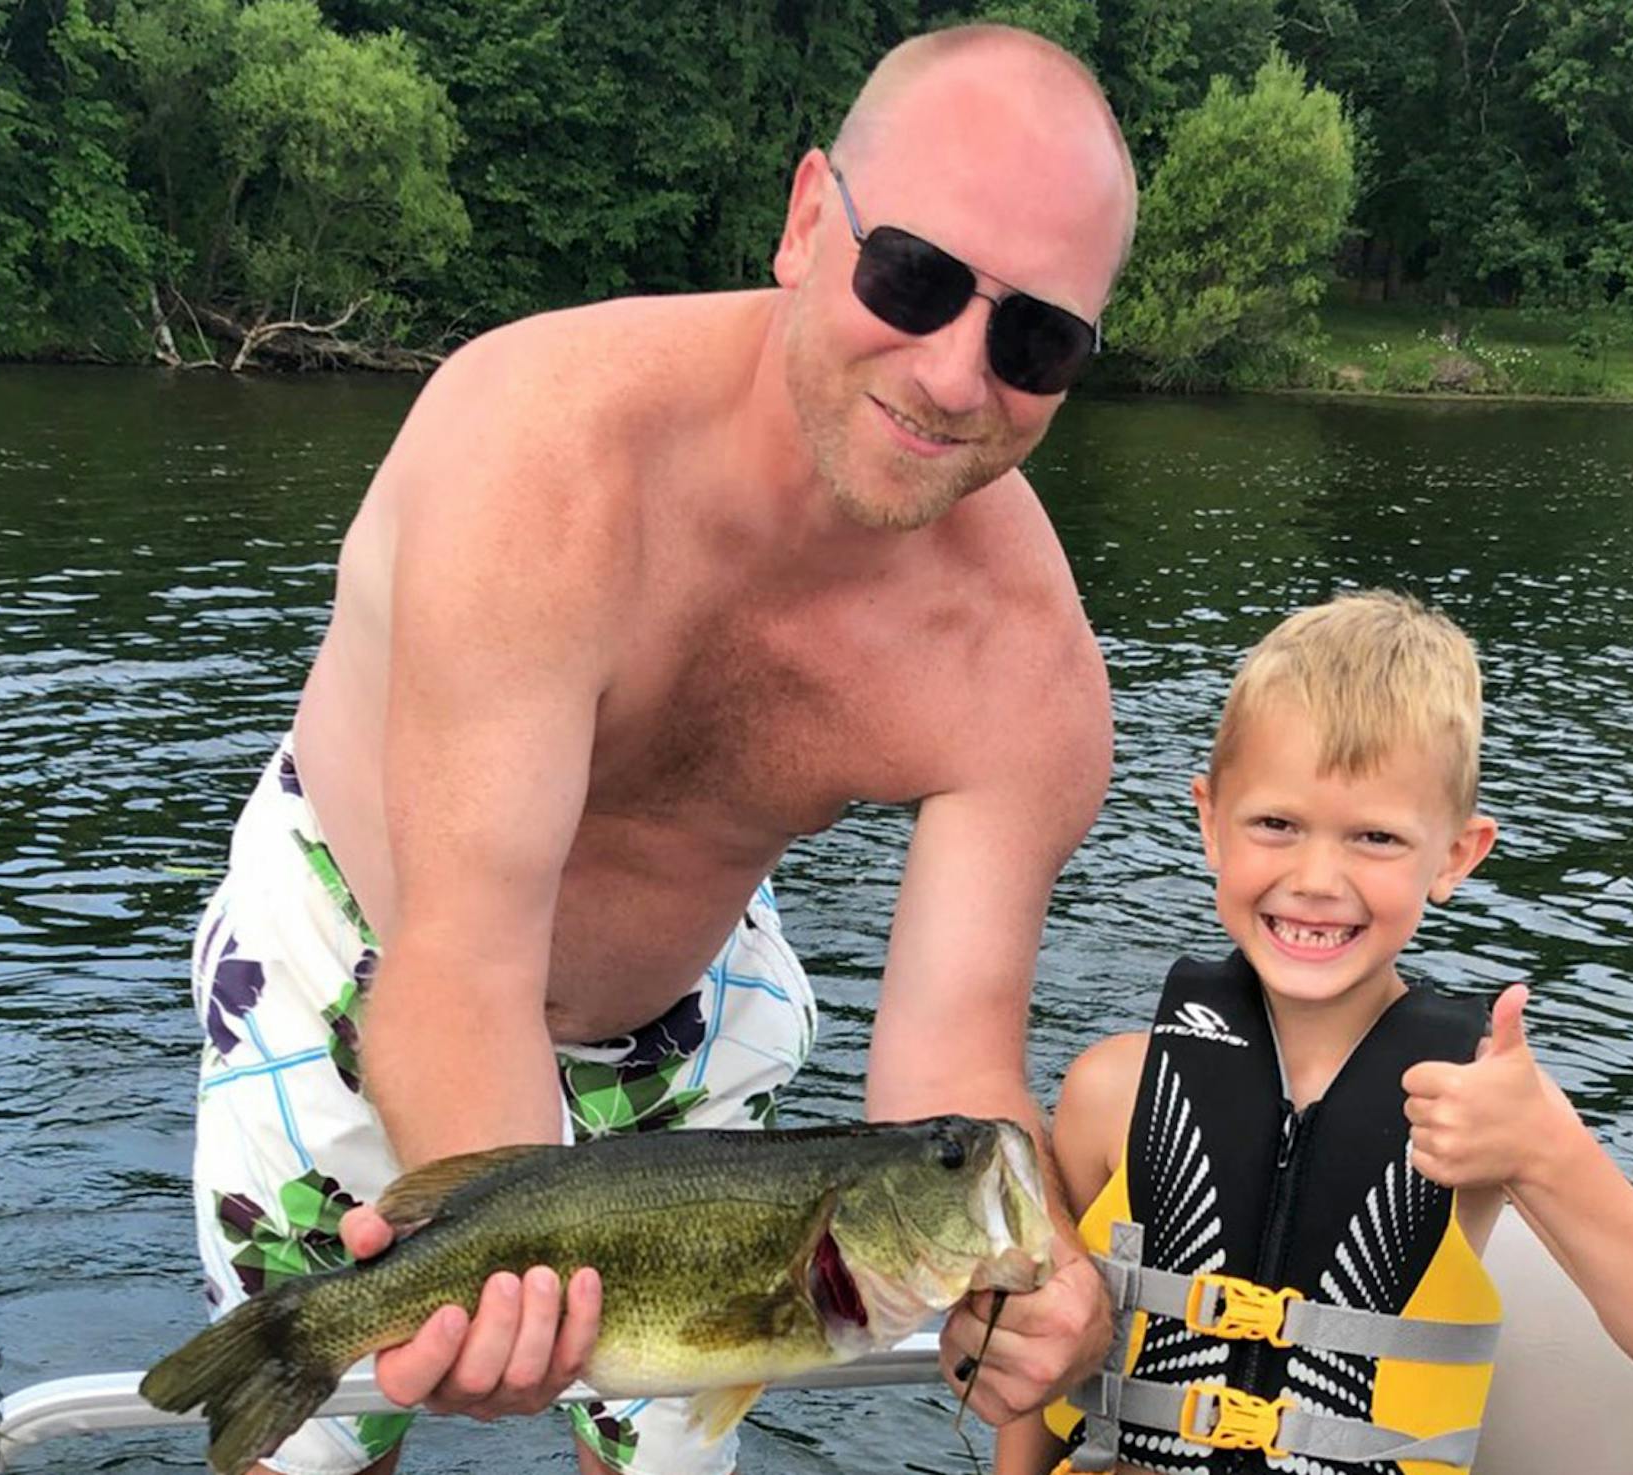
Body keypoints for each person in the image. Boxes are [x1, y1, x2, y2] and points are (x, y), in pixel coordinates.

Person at [182, 23, 1137, 1475]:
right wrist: (514, 1282)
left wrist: (1040, 1279)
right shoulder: (540, 453)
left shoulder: (1027, 670)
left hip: (684, 998)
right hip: (367, 944)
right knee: (313, 1443)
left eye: (1036, 337)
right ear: (810, 217)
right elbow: (462, 959)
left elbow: (952, 1067)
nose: (955, 374)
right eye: (916, 277)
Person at [997, 592, 1633, 1474]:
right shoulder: (1109, 1092)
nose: (1316, 878)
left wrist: (1544, 1149)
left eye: (1375, 837)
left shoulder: (1483, 1111)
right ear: (1210, 822)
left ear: (1456, 855)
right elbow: (1043, 1359)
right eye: (1276, 823)